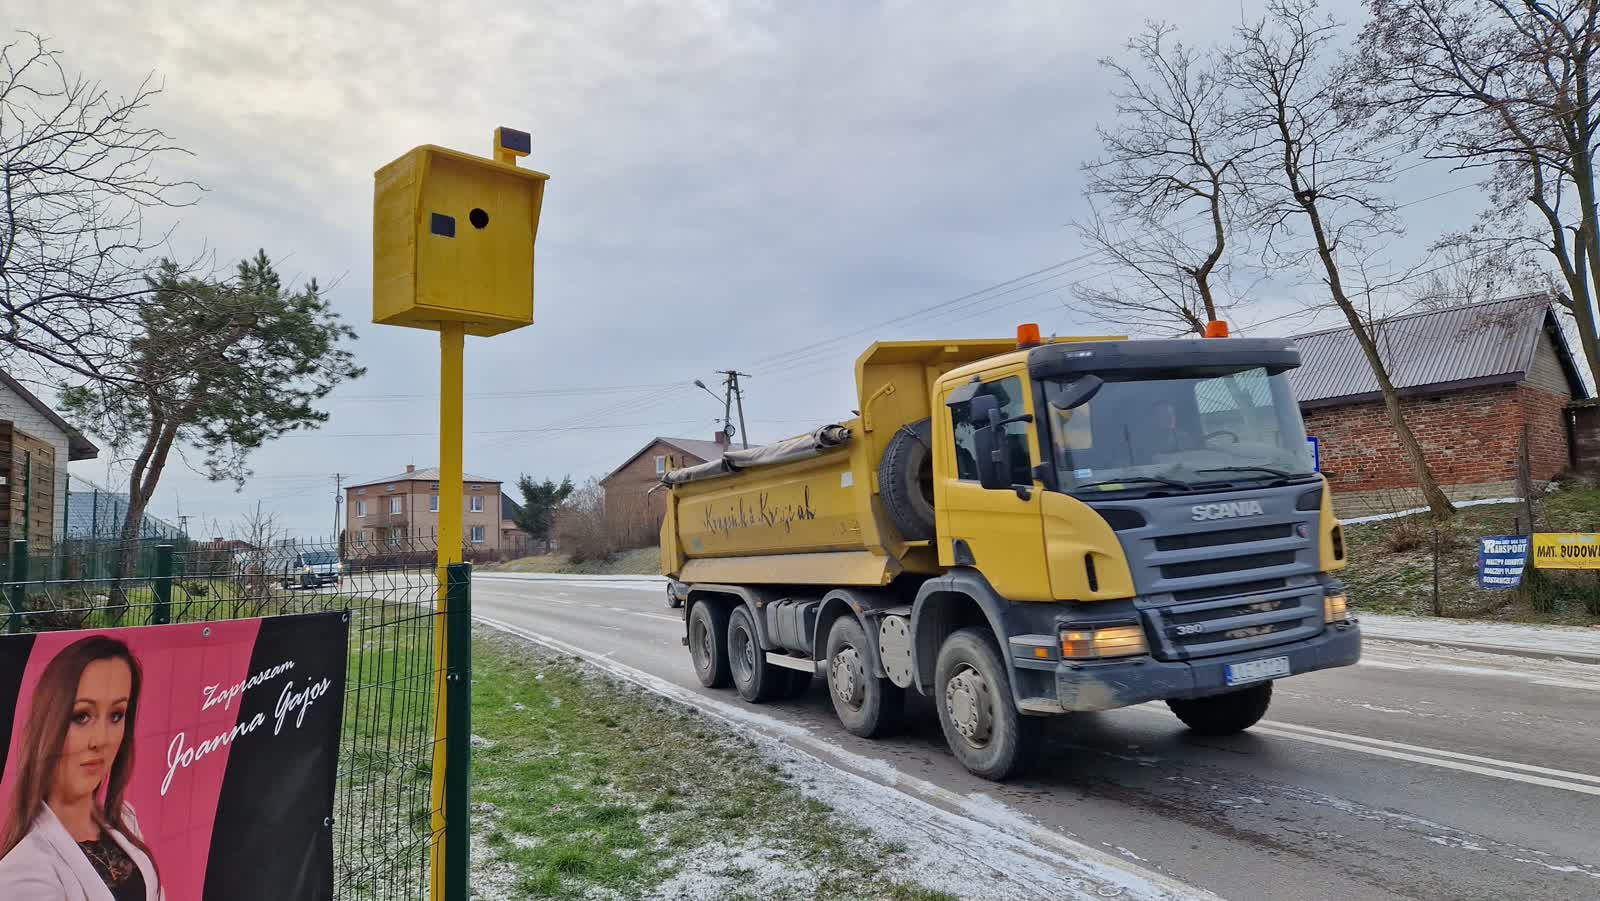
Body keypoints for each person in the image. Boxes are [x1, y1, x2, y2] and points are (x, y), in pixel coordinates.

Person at [0, 636, 162, 900]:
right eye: (82, 716)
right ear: (48, 725)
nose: (101, 740)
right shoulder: (23, 874)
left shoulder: (125, 819)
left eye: (116, 715)